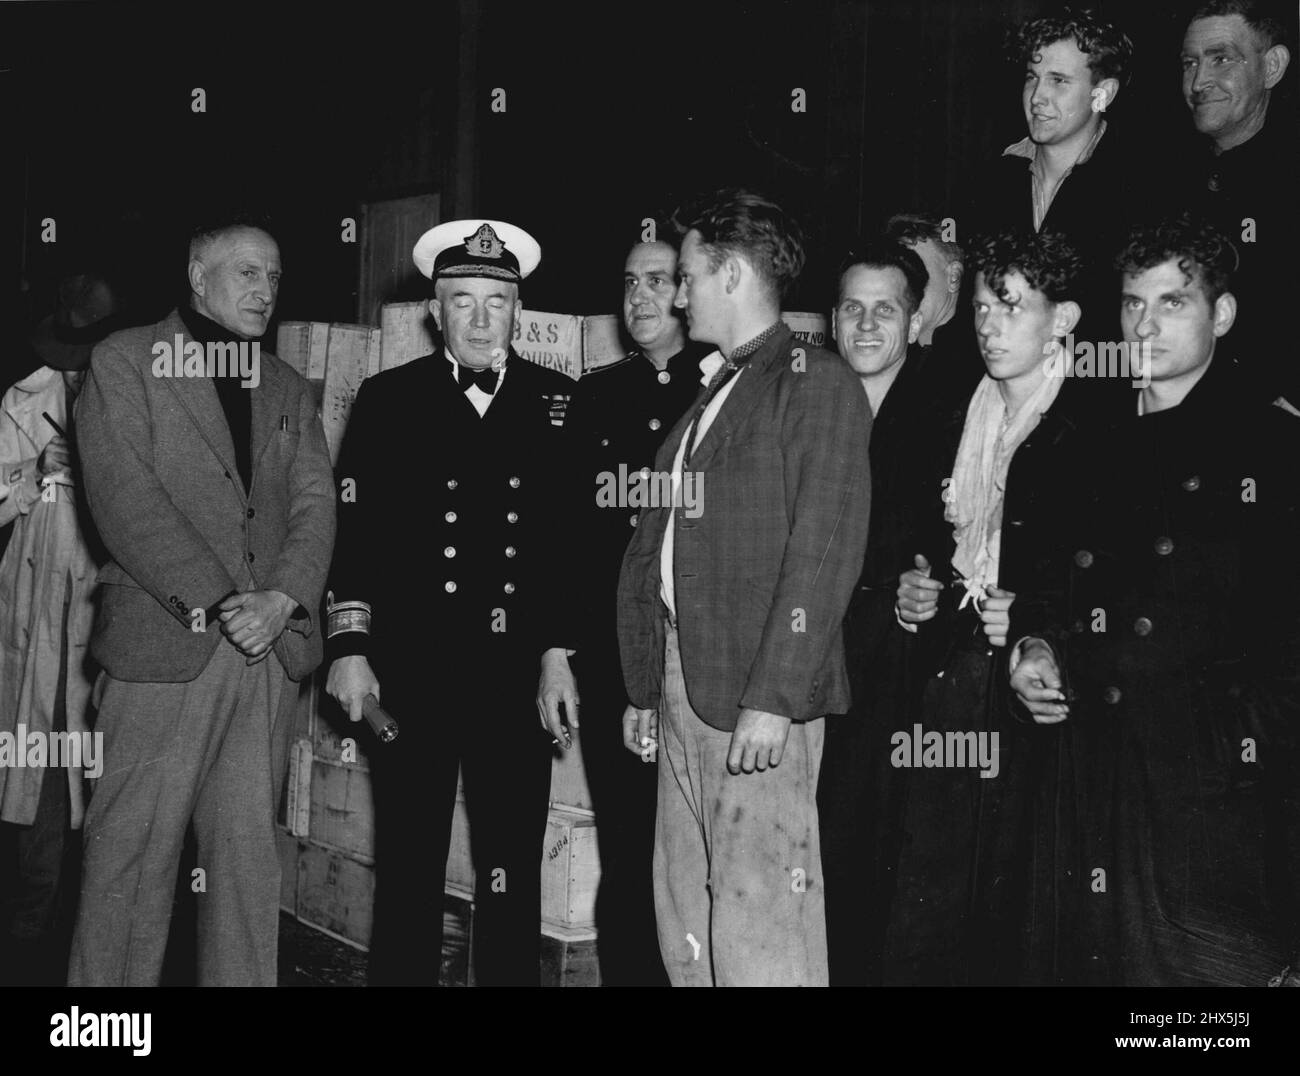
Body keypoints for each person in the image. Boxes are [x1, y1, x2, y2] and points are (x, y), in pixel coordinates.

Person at [1009, 216, 1300, 986]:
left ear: (1222, 315)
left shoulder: (1269, 448)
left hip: (1203, 797)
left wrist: (1234, 751)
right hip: (1087, 776)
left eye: (1174, 303)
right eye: (1135, 303)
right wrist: (1036, 646)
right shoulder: (1085, 439)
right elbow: (1050, 582)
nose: (1147, 323)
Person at [68, 216, 335, 986]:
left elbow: (317, 502)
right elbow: (124, 499)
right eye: (248, 272)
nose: (266, 290)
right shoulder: (123, 361)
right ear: (196, 275)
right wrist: (228, 602)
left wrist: (283, 597)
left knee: (248, 871)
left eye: (276, 276)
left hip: (268, 654)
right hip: (169, 644)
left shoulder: (287, 385)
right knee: (129, 863)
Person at [616, 189, 872, 986]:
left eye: (687, 276)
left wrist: (775, 696)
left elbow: (824, 553)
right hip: (685, 685)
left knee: (763, 929)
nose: (677, 293)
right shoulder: (714, 392)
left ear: (729, 274)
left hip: (755, 698)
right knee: (687, 920)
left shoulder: (815, 380)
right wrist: (646, 687)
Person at [325, 219, 581, 986]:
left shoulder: (557, 403)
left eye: (495, 301)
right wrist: (349, 648)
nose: (479, 319)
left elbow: (567, 546)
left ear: (517, 309)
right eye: (462, 301)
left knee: (511, 868)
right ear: (435, 312)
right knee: (408, 863)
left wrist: (558, 656)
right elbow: (354, 534)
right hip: (412, 671)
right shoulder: (387, 398)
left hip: (513, 676)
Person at [886, 228, 1097, 985]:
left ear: (1063, 320)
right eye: (979, 305)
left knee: (1017, 916)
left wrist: (1040, 624)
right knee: (932, 894)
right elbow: (920, 545)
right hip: (953, 683)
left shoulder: (1093, 430)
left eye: (1011, 306)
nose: (988, 324)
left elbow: (1109, 580)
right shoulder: (953, 413)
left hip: (1034, 707)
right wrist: (913, 599)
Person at [565, 235, 710, 986]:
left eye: (658, 281)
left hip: (698, 662)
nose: (641, 298)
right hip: (614, 660)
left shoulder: (722, 387)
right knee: (626, 853)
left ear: (689, 292)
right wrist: (558, 651)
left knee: (690, 855)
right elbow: (571, 541)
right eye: (630, 282)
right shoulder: (594, 395)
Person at [816, 238, 938, 985]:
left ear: (915, 320)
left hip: (895, 669)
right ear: (831, 320)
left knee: (874, 854)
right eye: (853, 309)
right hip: (806, 662)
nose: (866, 325)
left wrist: (934, 587)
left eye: (884, 310)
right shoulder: (803, 402)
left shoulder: (947, 412)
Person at [0, 270, 115, 985]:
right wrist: (29, 477)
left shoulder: (134, 403)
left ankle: (92, 963)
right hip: (33, 634)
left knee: (105, 810)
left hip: (104, 633)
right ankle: (25, 959)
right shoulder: (20, 402)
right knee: (40, 808)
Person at [968, 9, 1144, 352]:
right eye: (1032, 77)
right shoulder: (991, 181)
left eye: (1058, 80)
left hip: (1097, 382)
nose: (1037, 97)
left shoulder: (1139, 188)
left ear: (1102, 94)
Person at [1177, 0, 1295, 404]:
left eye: (1221, 59)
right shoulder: (1165, 180)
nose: (1198, 83)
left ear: (1272, 68)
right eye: (1189, 64)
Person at [883, 212, 981, 402]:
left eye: (914, 270)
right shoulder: (897, 354)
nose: (902, 285)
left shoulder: (971, 365)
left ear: (954, 277)